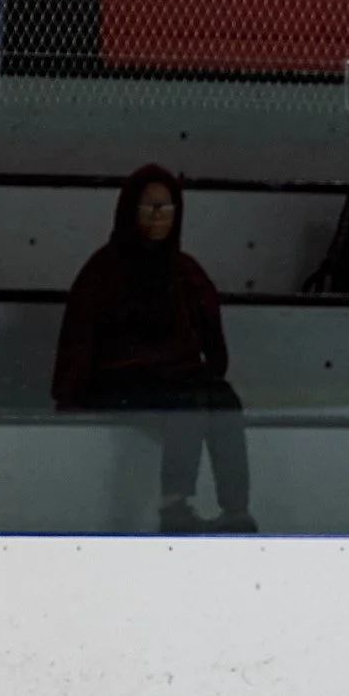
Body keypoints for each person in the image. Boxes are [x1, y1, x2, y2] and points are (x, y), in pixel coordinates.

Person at [53, 165, 256, 532]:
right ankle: (174, 505)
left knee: (223, 400)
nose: (158, 216)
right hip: (119, 381)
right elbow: (78, 338)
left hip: (178, 379)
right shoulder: (104, 269)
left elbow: (214, 340)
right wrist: (69, 396)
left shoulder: (185, 271)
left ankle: (236, 510)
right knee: (188, 402)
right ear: (130, 210)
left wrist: (209, 376)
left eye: (166, 207)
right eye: (148, 206)